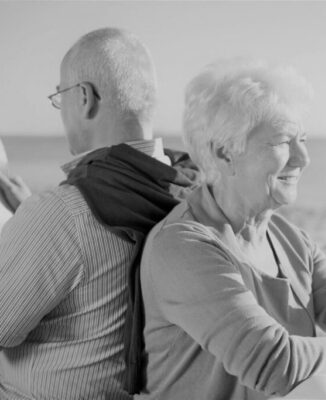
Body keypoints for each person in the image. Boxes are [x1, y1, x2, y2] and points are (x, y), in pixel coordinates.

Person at [137, 58, 326, 400]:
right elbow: (276, 366)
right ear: (225, 153)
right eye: (285, 141)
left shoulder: (289, 238)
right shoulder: (182, 246)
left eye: (304, 139)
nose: (304, 158)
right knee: (323, 390)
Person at [0, 27, 199, 400]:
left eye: (60, 96)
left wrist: (31, 223)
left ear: (85, 97)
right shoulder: (192, 191)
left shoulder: (64, 213)